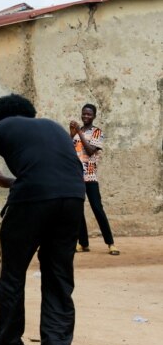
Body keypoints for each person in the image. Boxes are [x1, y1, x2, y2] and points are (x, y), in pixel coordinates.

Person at [0, 94, 85, 345]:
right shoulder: (54, 128)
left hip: (30, 203)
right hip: (73, 199)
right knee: (58, 278)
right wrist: (10, 181)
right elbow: (52, 174)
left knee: (12, 277)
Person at [70, 104, 119, 255]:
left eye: (89, 114)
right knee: (78, 210)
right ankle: (83, 243)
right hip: (76, 176)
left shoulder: (97, 132)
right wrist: (71, 135)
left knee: (97, 208)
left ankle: (110, 243)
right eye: (84, 114)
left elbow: (91, 151)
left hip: (90, 176)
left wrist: (78, 131)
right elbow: (68, 149)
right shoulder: (77, 133)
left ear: (94, 116)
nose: (86, 116)